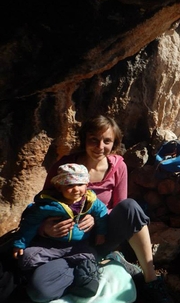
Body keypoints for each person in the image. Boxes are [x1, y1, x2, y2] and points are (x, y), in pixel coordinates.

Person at [35, 115, 171, 303]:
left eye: (107, 141)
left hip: (101, 234)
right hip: (66, 240)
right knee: (41, 290)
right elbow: (43, 204)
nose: (100, 147)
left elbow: (120, 207)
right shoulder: (64, 167)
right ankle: (101, 261)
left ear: (114, 143)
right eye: (94, 140)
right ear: (84, 139)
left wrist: (96, 217)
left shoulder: (118, 166)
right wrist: (46, 228)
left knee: (131, 207)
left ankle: (151, 279)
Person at [13, 163, 108, 300]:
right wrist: (20, 243)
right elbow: (30, 222)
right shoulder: (49, 205)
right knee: (26, 258)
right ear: (59, 187)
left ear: (87, 184)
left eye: (80, 184)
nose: (76, 189)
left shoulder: (91, 202)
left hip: (78, 246)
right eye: (69, 185)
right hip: (52, 245)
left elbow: (102, 215)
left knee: (88, 255)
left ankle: (83, 271)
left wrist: (101, 233)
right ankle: (54, 271)